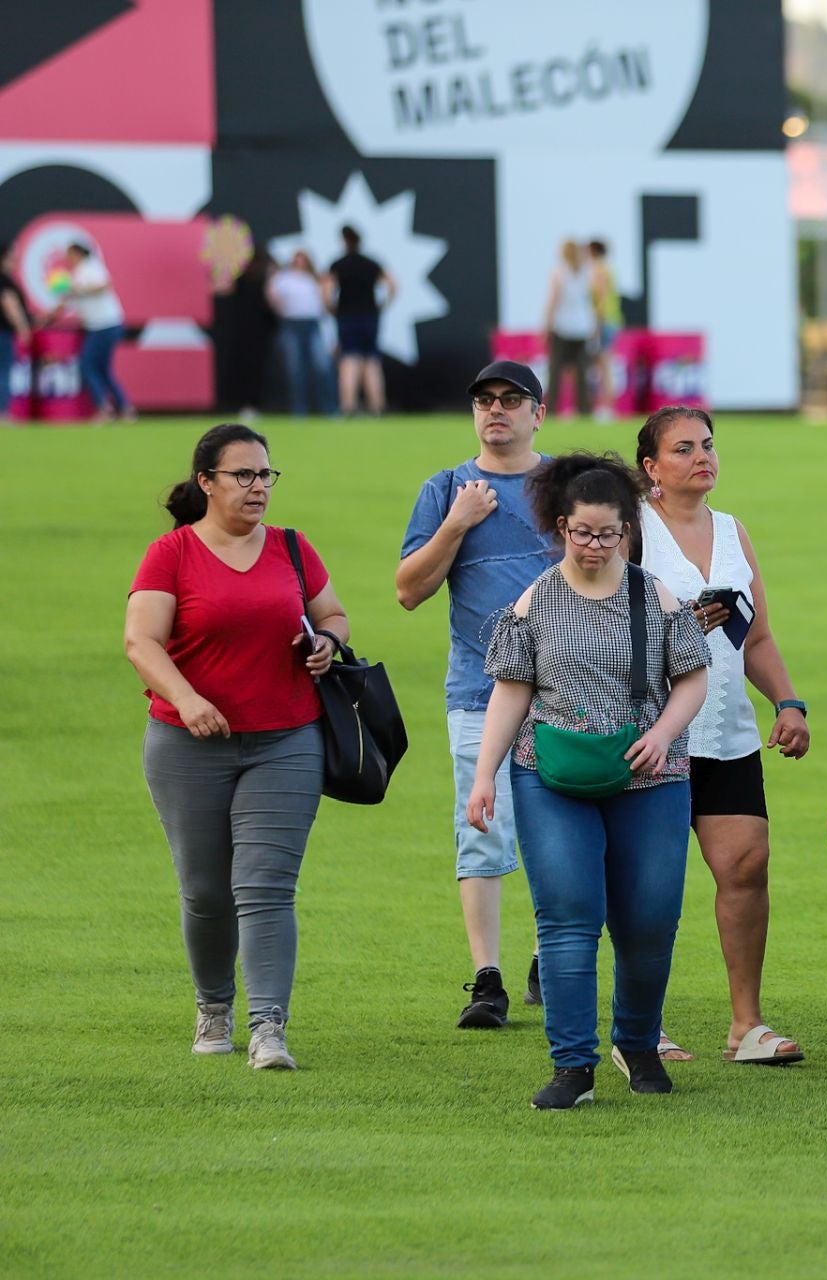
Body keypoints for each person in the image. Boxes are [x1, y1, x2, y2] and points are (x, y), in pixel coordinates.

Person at [464, 452, 711, 1110]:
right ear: (559, 527)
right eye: (582, 533)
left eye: (609, 533)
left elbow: (692, 677)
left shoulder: (656, 596)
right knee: (568, 919)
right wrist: (484, 775)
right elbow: (510, 693)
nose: (596, 545)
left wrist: (662, 735)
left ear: (628, 527)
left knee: (651, 920)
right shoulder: (534, 601)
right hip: (551, 775)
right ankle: (572, 1066)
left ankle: (635, 1042)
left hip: (652, 776)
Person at [125, 423, 351, 1070]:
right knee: (205, 891)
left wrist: (326, 644)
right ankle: (214, 1006)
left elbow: (332, 613)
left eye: (266, 475)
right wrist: (189, 699)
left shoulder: (292, 547)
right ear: (206, 482)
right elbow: (142, 641)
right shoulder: (171, 553)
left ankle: (268, 1027)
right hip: (185, 744)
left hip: (287, 740)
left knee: (266, 887)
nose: (258, 488)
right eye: (243, 475)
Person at [636, 406, 811, 1066]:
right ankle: (640, 1026)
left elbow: (756, 636)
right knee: (649, 884)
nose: (702, 456)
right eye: (683, 449)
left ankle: (746, 1026)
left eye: (707, 445)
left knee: (746, 867)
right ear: (652, 468)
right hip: (652, 736)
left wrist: (787, 702)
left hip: (728, 734)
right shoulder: (631, 532)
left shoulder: (734, 531)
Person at [398, 360, 559, 1027]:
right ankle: (486, 977)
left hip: (567, 689)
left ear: (537, 413)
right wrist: (458, 523)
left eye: (512, 399)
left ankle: (552, 956)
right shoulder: (445, 489)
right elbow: (409, 589)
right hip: (478, 689)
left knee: (562, 826)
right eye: (485, 400)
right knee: (482, 830)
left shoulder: (567, 485)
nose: (497, 410)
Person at [50, 243, 133, 422]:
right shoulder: (77, 275)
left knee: (87, 366)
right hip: (99, 326)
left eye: (69, 254)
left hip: (105, 324)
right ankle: (124, 408)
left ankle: (104, 408)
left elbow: (103, 286)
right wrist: (46, 317)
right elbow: (67, 302)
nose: (67, 258)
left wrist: (76, 290)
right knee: (102, 369)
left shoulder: (90, 267)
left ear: (78, 253)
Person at [327, 225, 393, 417]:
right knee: (372, 360)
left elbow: (326, 290)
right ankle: (377, 405)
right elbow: (392, 285)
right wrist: (382, 305)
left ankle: (348, 406)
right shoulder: (372, 264)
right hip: (370, 317)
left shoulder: (338, 264)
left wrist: (331, 308)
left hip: (347, 316)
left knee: (349, 359)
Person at [267, 251, 335, 417]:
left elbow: (326, 299)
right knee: (295, 368)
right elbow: (272, 295)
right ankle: (299, 409)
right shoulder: (284, 278)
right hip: (292, 324)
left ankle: (328, 408)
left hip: (312, 324)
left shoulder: (315, 279)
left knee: (322, 366)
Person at [214, 250, 275, 421]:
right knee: (242, 371)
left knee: (257, 373)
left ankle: (254, 404)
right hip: (242, 337)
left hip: (259, 337)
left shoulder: (264, 284)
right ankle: (242, 404)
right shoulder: (240, 283)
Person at [544, 239, 598, 422]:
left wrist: (546, 326)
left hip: (563, 326)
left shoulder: (559, 272)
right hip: (583, 327)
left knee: (555, 370)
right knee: (582, 371)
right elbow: (592, 302)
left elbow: (553, 300)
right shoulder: (587, 273)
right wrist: (594, 325)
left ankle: (551, 409)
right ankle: (584, 409)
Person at [587, 239, 620, 421]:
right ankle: (604, 406)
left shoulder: (598, 270)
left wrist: (596, 322)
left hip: (603, 320)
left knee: (604, 364)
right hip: (611, 319)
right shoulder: (607, 268)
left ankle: (606, 407)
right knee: (602, 364)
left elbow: (599, 298)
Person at [0, 249, 32, 398]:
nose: (14, 263)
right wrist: (22, 327)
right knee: (4, 370)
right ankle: (2, 411)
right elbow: (10, 304)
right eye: (11, 259)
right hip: (3, 333)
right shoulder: (4, 280)